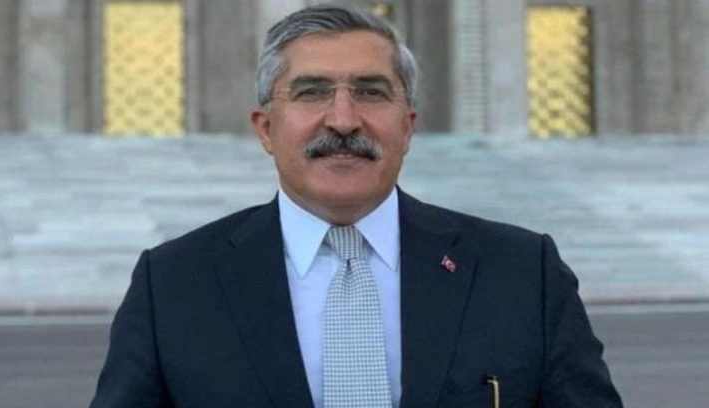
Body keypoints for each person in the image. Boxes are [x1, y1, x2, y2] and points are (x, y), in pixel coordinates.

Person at [90, 5, 622, 408]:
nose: (343, 120)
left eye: (370, 92)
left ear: (407, 127)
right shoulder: (174, 285)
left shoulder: (521, 273)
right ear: (266, 128)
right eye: (311, 92)